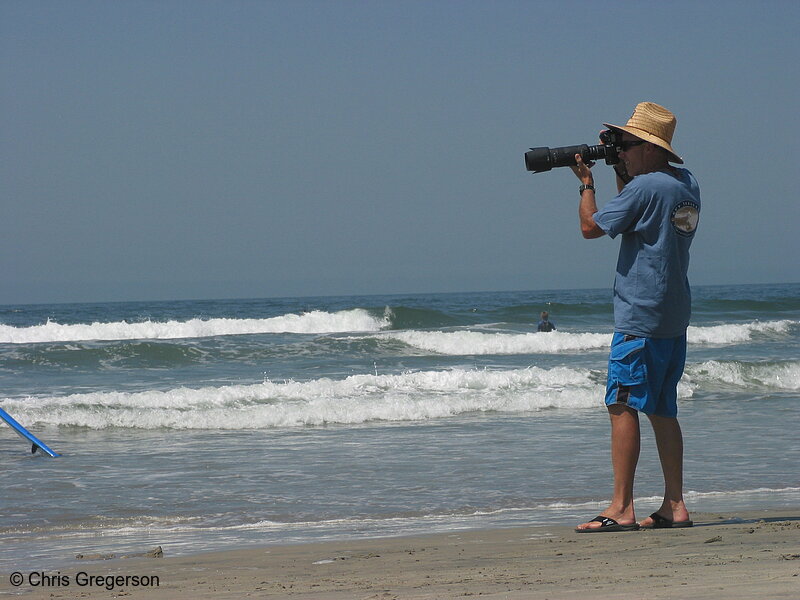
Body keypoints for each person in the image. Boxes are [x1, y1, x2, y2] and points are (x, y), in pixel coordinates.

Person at [571, 102, 701, 533]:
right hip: (672, 314)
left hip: (639, 316)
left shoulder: (646, 190)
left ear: (648, 147)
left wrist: (586, 185)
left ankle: (621, 507)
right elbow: (640, 208)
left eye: (625, 145)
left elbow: (592, 228)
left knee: (621, 403)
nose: (620, 151)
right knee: (663, 408)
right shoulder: (685, 183)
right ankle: (674, 504)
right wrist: (619, 169)